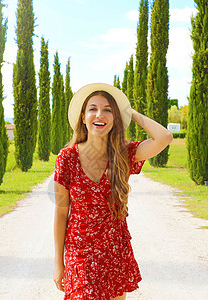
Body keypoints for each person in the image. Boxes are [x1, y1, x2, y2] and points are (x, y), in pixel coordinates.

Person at [53, 83, 173, 300]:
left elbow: (164, 137)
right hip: (79, 255)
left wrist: (129, 112)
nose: (100, 114)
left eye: (108, 109)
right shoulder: (67, 158)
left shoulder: (124, 154)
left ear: (115, 118)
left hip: (114, 253)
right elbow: (62, 213)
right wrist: (58, 264)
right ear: (83, 117)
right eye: (93, 108)